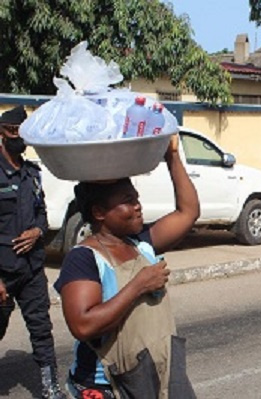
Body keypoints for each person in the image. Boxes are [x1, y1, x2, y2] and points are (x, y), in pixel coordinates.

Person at [54, 135, 199, 399]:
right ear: (99, 213)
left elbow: (188, 213)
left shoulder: (140, 243)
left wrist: (172, 156)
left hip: (153, 374)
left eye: (136, 198)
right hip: (106, 383)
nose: (138, 206)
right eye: (128, 200)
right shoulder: (84, 258)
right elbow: (83, 325)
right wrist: (139, 285)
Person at [0, 106, 66, 399]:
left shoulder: (33, 173)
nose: (17, 138)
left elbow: (42, 214)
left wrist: (38, 232)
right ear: (1, 133)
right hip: (2, 271)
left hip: (31, 269)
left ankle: (51, 389)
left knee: (42, 331)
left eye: (21, 133)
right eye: (12, 132)